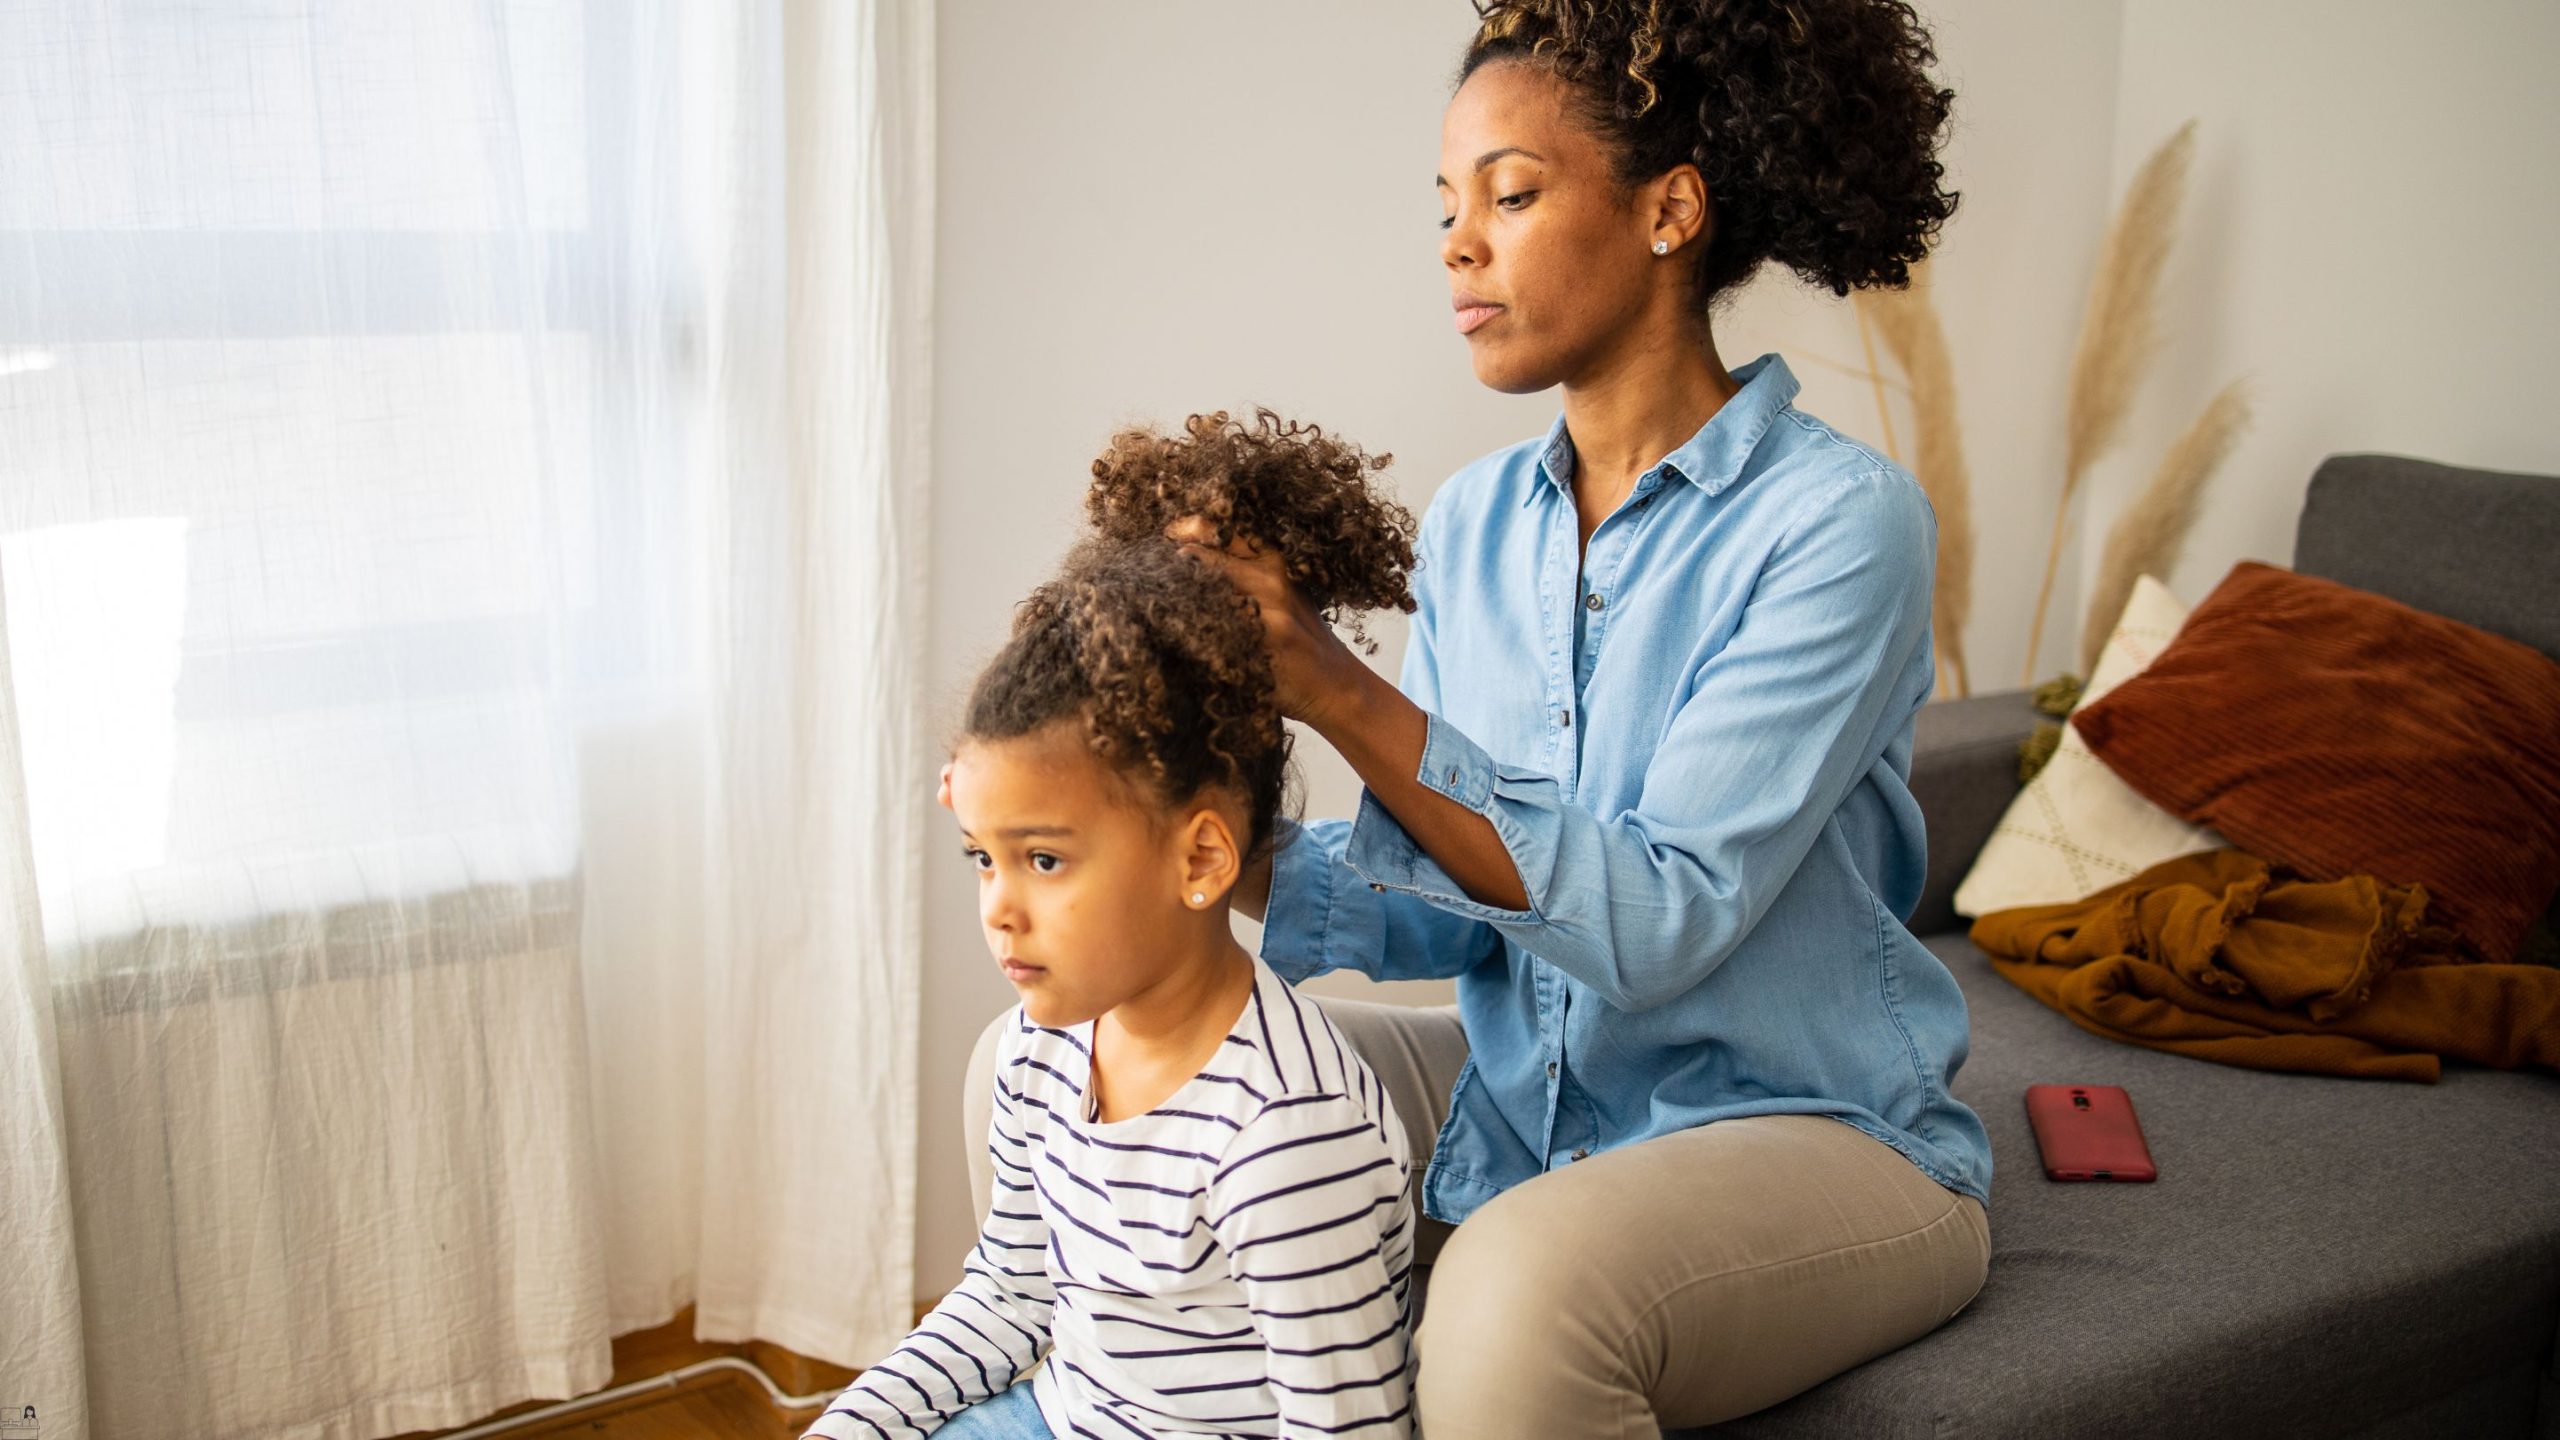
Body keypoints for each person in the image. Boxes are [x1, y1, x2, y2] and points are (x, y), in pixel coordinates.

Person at [1057, 1, 1999, 1433]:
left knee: (1510, 1299)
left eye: (1510, 193)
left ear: (1671, 209)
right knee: (1080, 1061)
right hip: (1527, 1103)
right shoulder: (1477, 522)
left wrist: (1332, 686)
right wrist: (1167, 852)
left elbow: (1656, 923)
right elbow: (1455, 903)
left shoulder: (1840, 526)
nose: (1457, 243)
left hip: (1814, 1132)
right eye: (1446, 205)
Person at [810, 413, 1423, 1440]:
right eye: (983, 858)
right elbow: (1011, 1300)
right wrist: (853, 1423)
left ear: (1200, 861)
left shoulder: (1285, 1138)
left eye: (1043, 860)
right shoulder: (1037, 1047)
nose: (999, 907)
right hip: (1057, 1416)